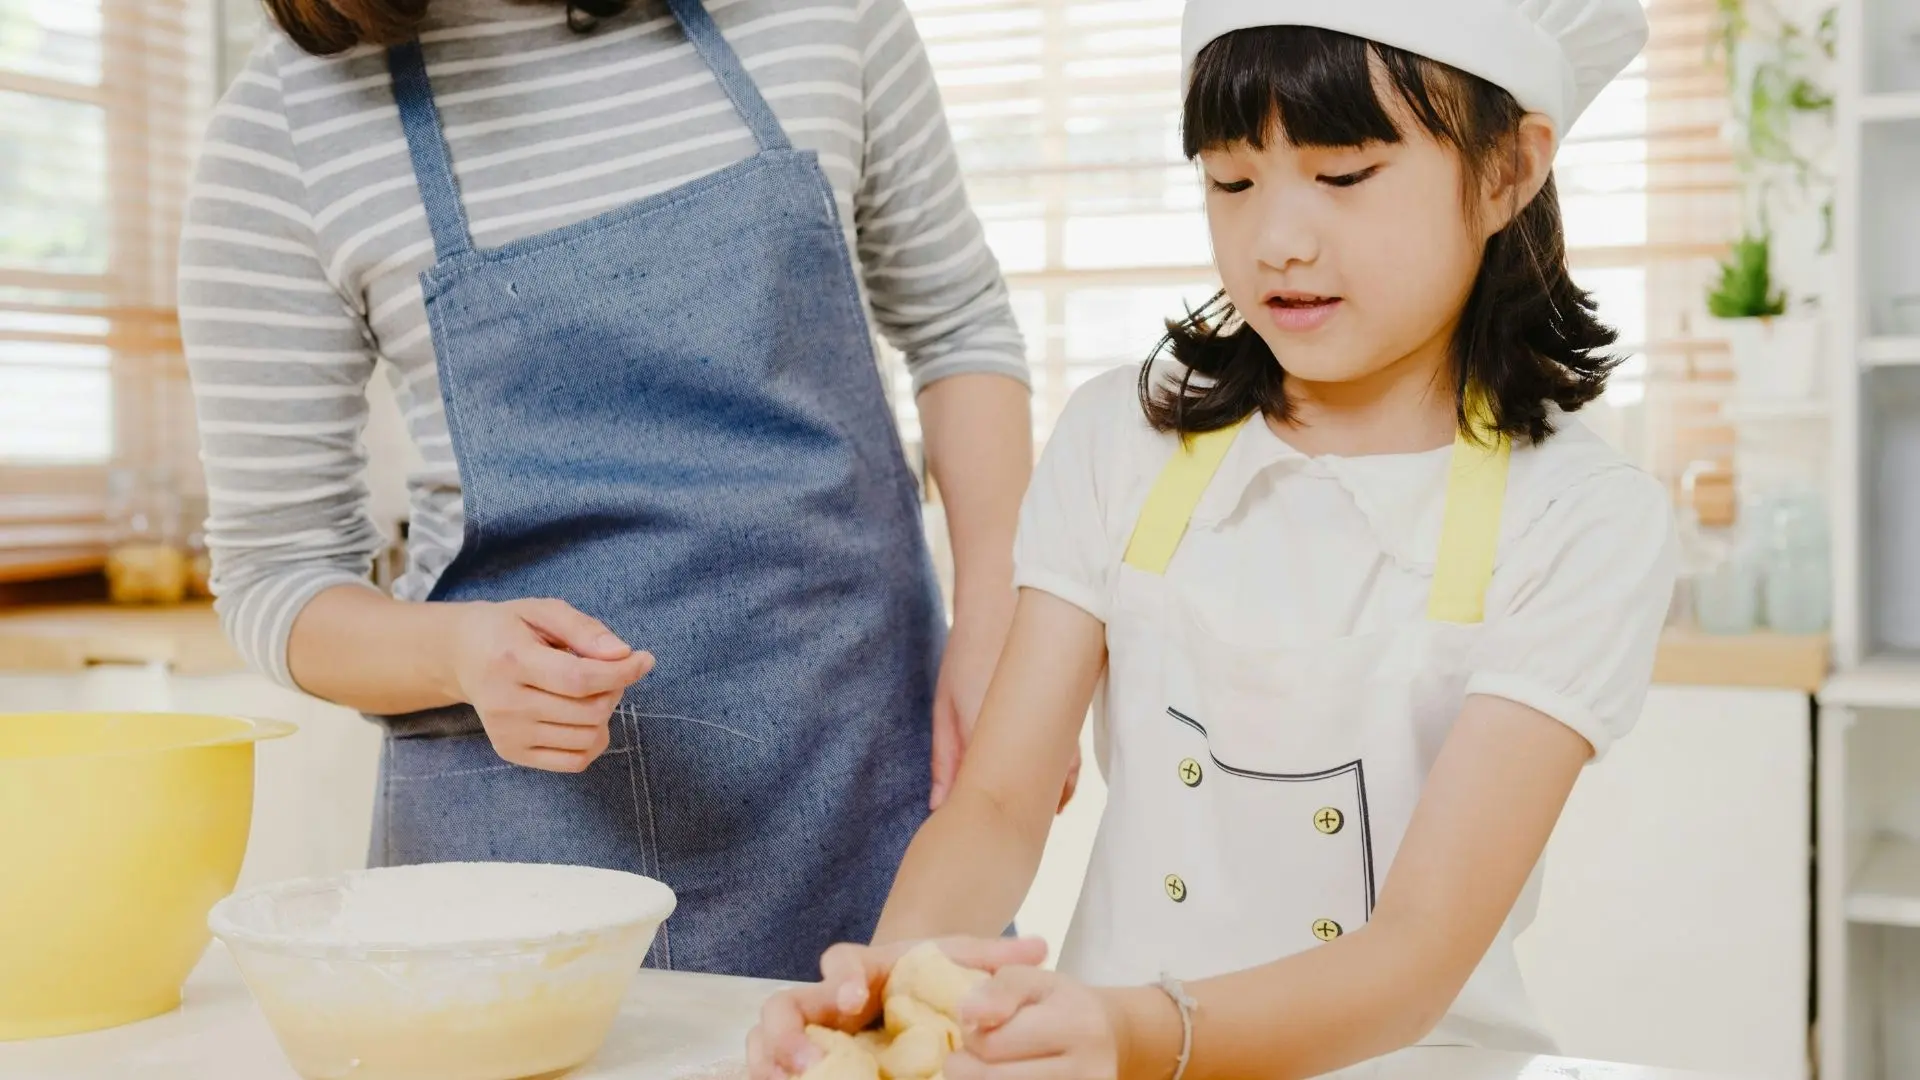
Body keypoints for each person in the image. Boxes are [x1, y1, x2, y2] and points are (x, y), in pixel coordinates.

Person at [749, 0, 1678, 1076]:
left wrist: (1138, 1032)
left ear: (1509, 170)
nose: (1277, 240)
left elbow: (1420, 953)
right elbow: (1001, 801)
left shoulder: (1581, 515)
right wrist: (891, 990)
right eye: (1232, 181)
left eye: (1345, 176)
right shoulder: (1120, 436)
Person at [179, 0, 1047, 982]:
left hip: (866, 799)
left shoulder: (821, 13)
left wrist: (995, 628)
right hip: (516, 879)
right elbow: (275, 573)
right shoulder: (287, 126)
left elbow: (959, 323)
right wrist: (458, 654)